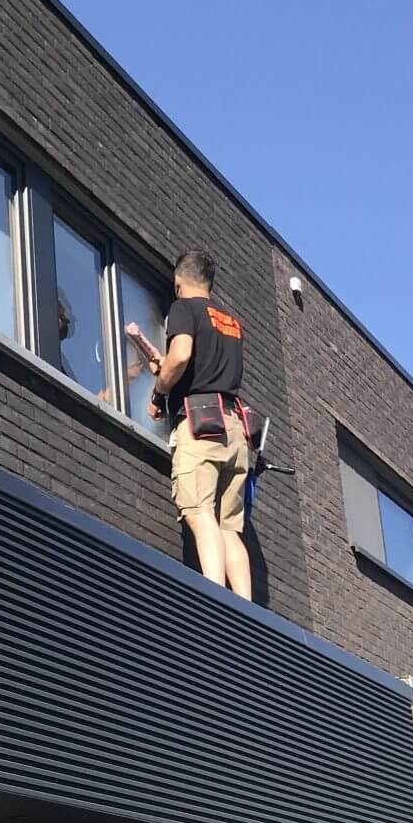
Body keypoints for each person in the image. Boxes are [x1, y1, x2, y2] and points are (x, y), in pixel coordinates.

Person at [137, 249, 251, 600]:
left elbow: (183, 355)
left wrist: (158, 392)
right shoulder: (231, 322)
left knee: (200, 513)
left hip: (201, 424)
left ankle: (215, 601)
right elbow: (208, 367)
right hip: (235, 428)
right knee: (230, 527)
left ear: (178, 283)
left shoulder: (183, 309)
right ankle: (246, 610)